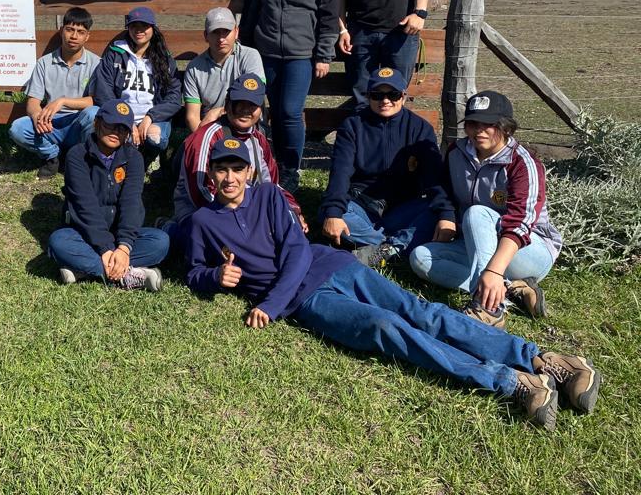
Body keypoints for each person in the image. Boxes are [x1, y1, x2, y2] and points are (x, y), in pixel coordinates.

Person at [186, 139, 600, 430]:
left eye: (236, 168)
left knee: (419, 312)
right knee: (386, 328)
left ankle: (546, 361)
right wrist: (214, 276)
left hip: (330, 265)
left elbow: (296, 251)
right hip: (308, 300)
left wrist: (270, 304)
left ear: (250, 171)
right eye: (221, 169)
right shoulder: (203, 222)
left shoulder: (271, 197)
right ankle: (512, 382)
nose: (229, 177)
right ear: (212, 176)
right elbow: (193, 272)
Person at [411, 91, 563, 329]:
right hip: (478, 244)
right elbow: (446, 192)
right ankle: (512, 290)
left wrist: (493, 270)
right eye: (473, 123)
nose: (479, 131)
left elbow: (520, 223)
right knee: (420, 258)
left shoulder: (522, 162)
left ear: (506, 127)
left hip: (528, 249)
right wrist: (447, 217)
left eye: (489, 124)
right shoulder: (456, 152)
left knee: (476, 213)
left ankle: (488, 307)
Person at [239, 0, 339, 191]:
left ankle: (290, 168)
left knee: (290, 112)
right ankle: (266, 162)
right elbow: (253, 8)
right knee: (264, 110)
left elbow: (329, 13)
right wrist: (246, 51)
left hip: (301, 55)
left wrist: (323, 54)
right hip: (265, 52)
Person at [319, 67, 445, 268]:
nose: (385, 100)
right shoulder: (352, 126)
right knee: (331, 214)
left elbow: (433, 175)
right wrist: (334, 212)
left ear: (403, 96)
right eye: (377, 95)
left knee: (434, 213)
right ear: (368, 97)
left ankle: (377, 246)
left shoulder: (420, 128)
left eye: (393, 94)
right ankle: (395, 247)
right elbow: (340, 172)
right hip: (363, 204)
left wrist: (445, 215)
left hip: (403, 206)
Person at [168, 73, 305, 248]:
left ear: (260, 110)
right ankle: (171, 231)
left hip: (248, 214)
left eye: (252, 105)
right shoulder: (206, 136)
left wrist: (292, 210)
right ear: (227, 104)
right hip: (204, 212)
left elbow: (271, 187)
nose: (245, 110)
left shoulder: (259, 140)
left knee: (288, 231)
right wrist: (242, 218)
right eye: (239, 103)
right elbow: (200, 191)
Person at [47, 98, 169, 290]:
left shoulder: (133, 158)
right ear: (97, 123)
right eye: (110, 125)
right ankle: (128, 275)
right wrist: (105, 248)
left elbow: (132, 203)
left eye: (122, 129)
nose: (115, 132)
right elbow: (84, 206)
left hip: (118, 232)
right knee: (58, 242)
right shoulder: (77, 155)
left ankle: (84, 270)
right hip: (84, 233)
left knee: (160, 241)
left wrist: (124, 247)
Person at [5, 7, 99, 179]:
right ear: (61, 30)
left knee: (94, 115)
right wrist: (37, 117)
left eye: (80, 32)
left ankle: (83, 158)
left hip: (79, 123)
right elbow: (33, 101)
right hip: (51, 124)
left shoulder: (96, 64)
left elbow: (95, 101)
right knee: (18, 128)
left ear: (87, 36)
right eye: (70, 29)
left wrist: (63, 101)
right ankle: (52, 156)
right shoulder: (44, 63)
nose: (74, 36)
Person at [83, 6, 182, 165]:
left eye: (145, 26)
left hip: (152, 117)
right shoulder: (115, 53)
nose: (139, 30)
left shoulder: (164, 58)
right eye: (134, 25)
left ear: (153, 29)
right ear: (128, 27)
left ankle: (149, 158)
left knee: (156, 139)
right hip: (120, 114)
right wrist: (124, 120)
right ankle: (112, 157)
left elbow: (174, 96)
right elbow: (103, 90)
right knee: (116, 136)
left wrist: (151, 117)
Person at [182, 7, 264, 133]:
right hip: (210, 128)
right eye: (215, 32)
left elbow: (251, 100)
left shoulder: (250, 56)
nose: (221, 39)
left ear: (236, 32)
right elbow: (192, 117)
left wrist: (219, 111)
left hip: (244, 121)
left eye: (226, 31)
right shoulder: (194, 68)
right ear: (206, 36)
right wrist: (202, 139)